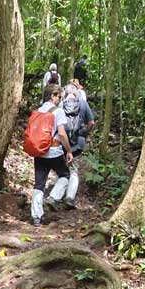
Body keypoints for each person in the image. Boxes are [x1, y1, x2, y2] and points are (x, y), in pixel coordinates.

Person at [31, 84, 74, 226]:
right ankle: (53, 197)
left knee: (39, 184)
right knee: (65, 175)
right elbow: (61, 133)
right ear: (53, 96)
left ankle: (36, 217)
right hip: (54, 152)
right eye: (59, 96)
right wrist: (68, 150)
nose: (60, 99)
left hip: (39, 152)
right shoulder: (58, 112)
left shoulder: (38, 110)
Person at [49, 81, 95, 209]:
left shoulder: (60, 105)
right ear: (76, 94)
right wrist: (84, 132)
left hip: (62, 143)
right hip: (77, 144)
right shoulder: (83, 104)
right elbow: (91, 122)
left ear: (65, 93)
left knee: (62, 172)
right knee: (73, 171)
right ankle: (69, 198)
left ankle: (54, 196)